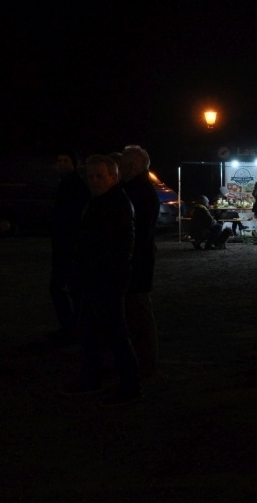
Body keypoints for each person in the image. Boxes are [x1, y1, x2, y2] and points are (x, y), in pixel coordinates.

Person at [61, 154, 142, 406]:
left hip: (105, 279)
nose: (94, 180)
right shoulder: (105, 201)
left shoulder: (114, 204)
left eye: (99, 176)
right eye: (91, 176)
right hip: (98, 278)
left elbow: (117, 247)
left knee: (114, 332)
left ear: (113, 176)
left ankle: (128, 385)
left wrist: (102, 274)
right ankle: (99, 378)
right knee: (96, 331)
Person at [119, 145, 160, 378]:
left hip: (137, 261)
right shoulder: (142, 188)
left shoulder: (137, 191)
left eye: (123, 164)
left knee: (139, 311)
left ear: (133, 166)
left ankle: (145, 362)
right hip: (140, 260)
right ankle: (144, 360)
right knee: (137, 310)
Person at [48, 150, 90, 346]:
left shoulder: (73, 185)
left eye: (65, 160)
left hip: (68, 245)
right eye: (59, 160)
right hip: (67, 244)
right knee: (71, 288)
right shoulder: (70, 183)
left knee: (62, 287)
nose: (62, 163)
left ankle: (71, 327)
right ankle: (75, 326)